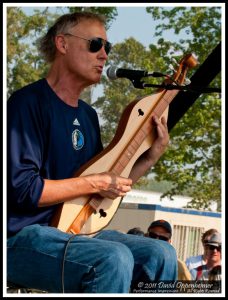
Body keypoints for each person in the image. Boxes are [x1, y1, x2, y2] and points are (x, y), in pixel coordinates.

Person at [7, 12, 177, 293]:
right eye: (95, 44)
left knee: (161, 254)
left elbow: (104, 187)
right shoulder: (27, 103)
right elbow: (23, 190)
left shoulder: (88, 116)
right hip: (21, 238)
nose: (104, 55)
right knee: (112, 258)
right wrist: (95, 181)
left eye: (107, 48)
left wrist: (150, 156)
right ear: (62, 44)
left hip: (79, 230)